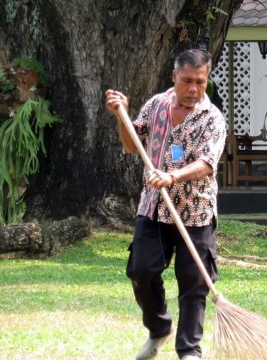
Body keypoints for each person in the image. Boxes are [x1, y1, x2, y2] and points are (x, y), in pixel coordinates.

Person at [105, 48, 226, 360]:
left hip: (195, 212)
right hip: (153, 208)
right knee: (140, 271)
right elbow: (133, 144)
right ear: (174, 77)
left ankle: (189, 351)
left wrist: (172, 177)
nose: (193, 89)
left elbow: (206, 164)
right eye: (187, 81)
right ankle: (159, 328)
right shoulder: (155, 105)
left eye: (200, 82)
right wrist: (122, 117)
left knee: (194, 284)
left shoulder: (212, 118)